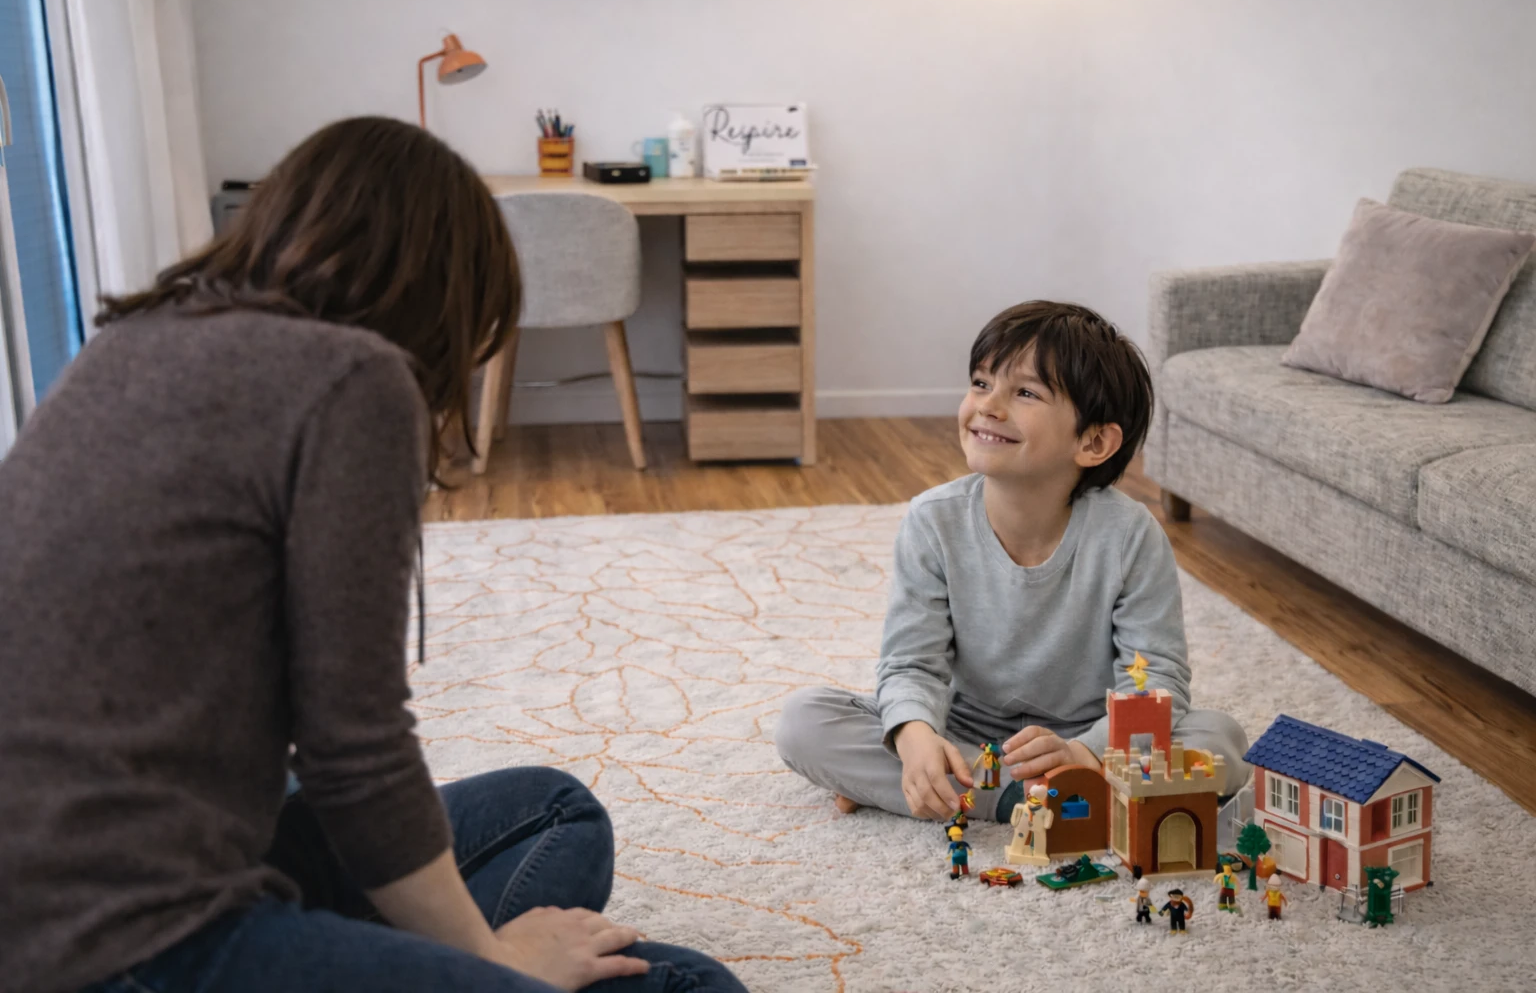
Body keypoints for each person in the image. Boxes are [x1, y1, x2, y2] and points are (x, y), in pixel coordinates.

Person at [0, 116, 744, 993]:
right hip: (115, 939)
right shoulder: (352, 378)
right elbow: (355, 758)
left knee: (553, 811)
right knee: (682, 984)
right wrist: (499, 960)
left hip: (113, 859)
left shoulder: (127, 344)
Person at [774, 301, 1250, 826]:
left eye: (1024, 393)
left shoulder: (1131, 536)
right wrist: (914, 738)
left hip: (1090, 740)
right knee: (805, 721)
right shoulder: (932, 521)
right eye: (981, 383)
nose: (989, 405)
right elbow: (911, 664)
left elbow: (1155, 678)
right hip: (964, 735)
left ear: (1093, 442)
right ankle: (1035, 798)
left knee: (1222, 742)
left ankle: (949, 792)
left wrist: (1086, 754)